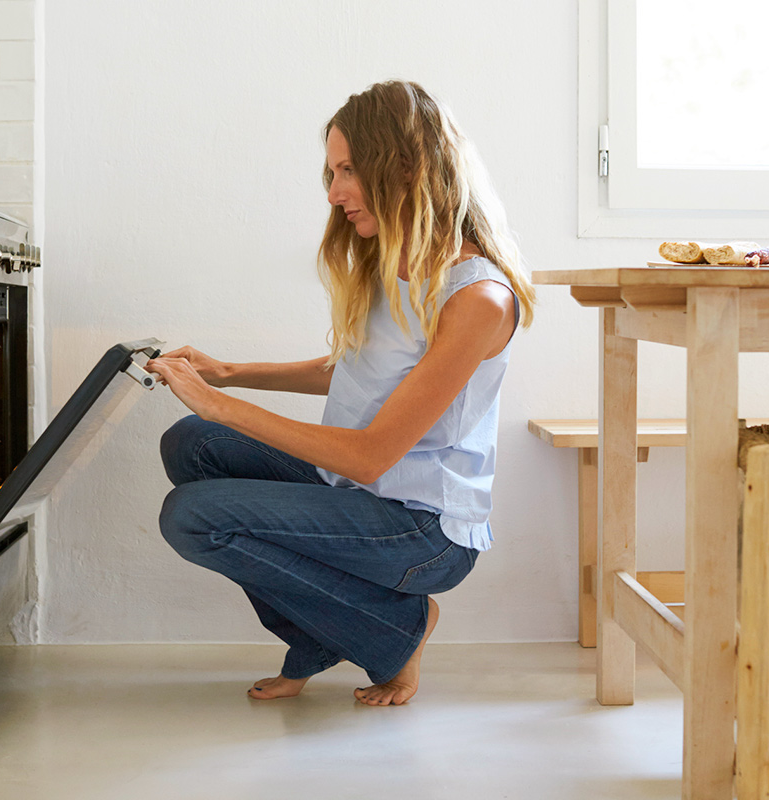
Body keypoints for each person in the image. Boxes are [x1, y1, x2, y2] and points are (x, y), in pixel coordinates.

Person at [147, 80, 535, 706]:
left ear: (405, 167)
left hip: (422, 529)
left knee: (192, 516)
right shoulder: (395, 261)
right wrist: (228, 373)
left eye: (349, 170)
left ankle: (398, 628)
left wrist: (219, 403)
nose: (334, 193)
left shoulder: (477, 299)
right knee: (193, 446)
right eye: (332, 172)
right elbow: (350, 371)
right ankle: (332, 633)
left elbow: (370, 454)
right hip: (361, 495)